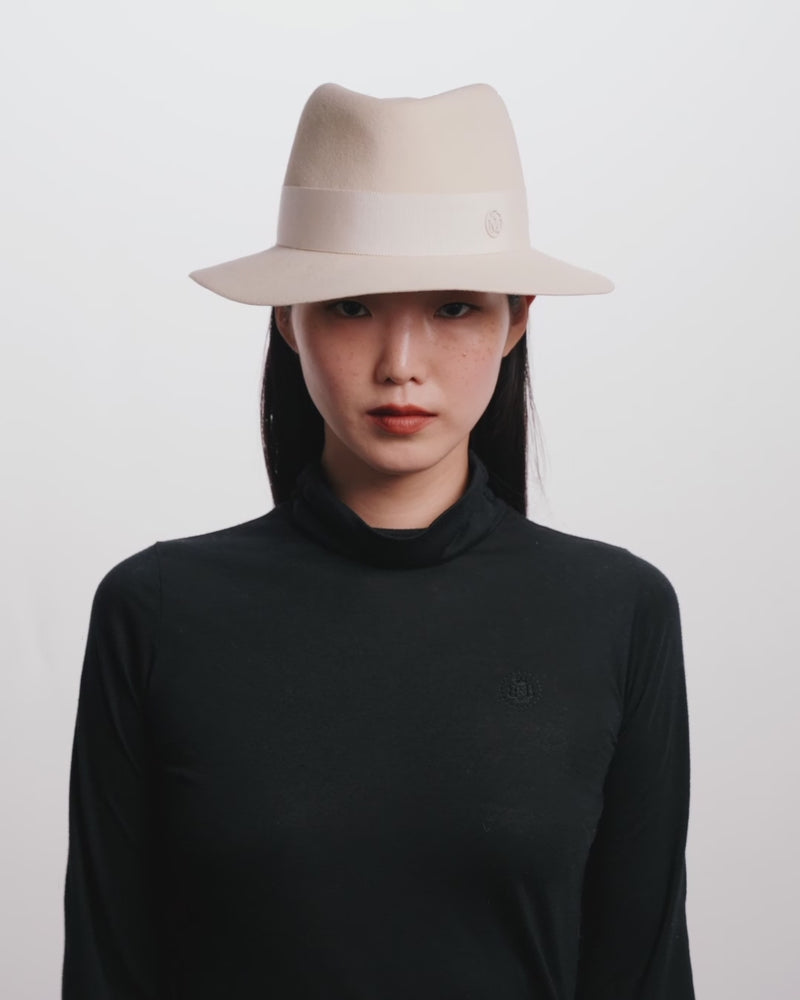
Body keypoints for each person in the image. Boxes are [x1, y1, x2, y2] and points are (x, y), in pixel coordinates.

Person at [61, 82, 696, 998]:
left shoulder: (617, 613)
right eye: (353, 305)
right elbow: (107, 969)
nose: (401, 364)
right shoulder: (158, 611)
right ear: (288, 318)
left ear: (517, 319)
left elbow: (643, 974)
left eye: (454, 308)